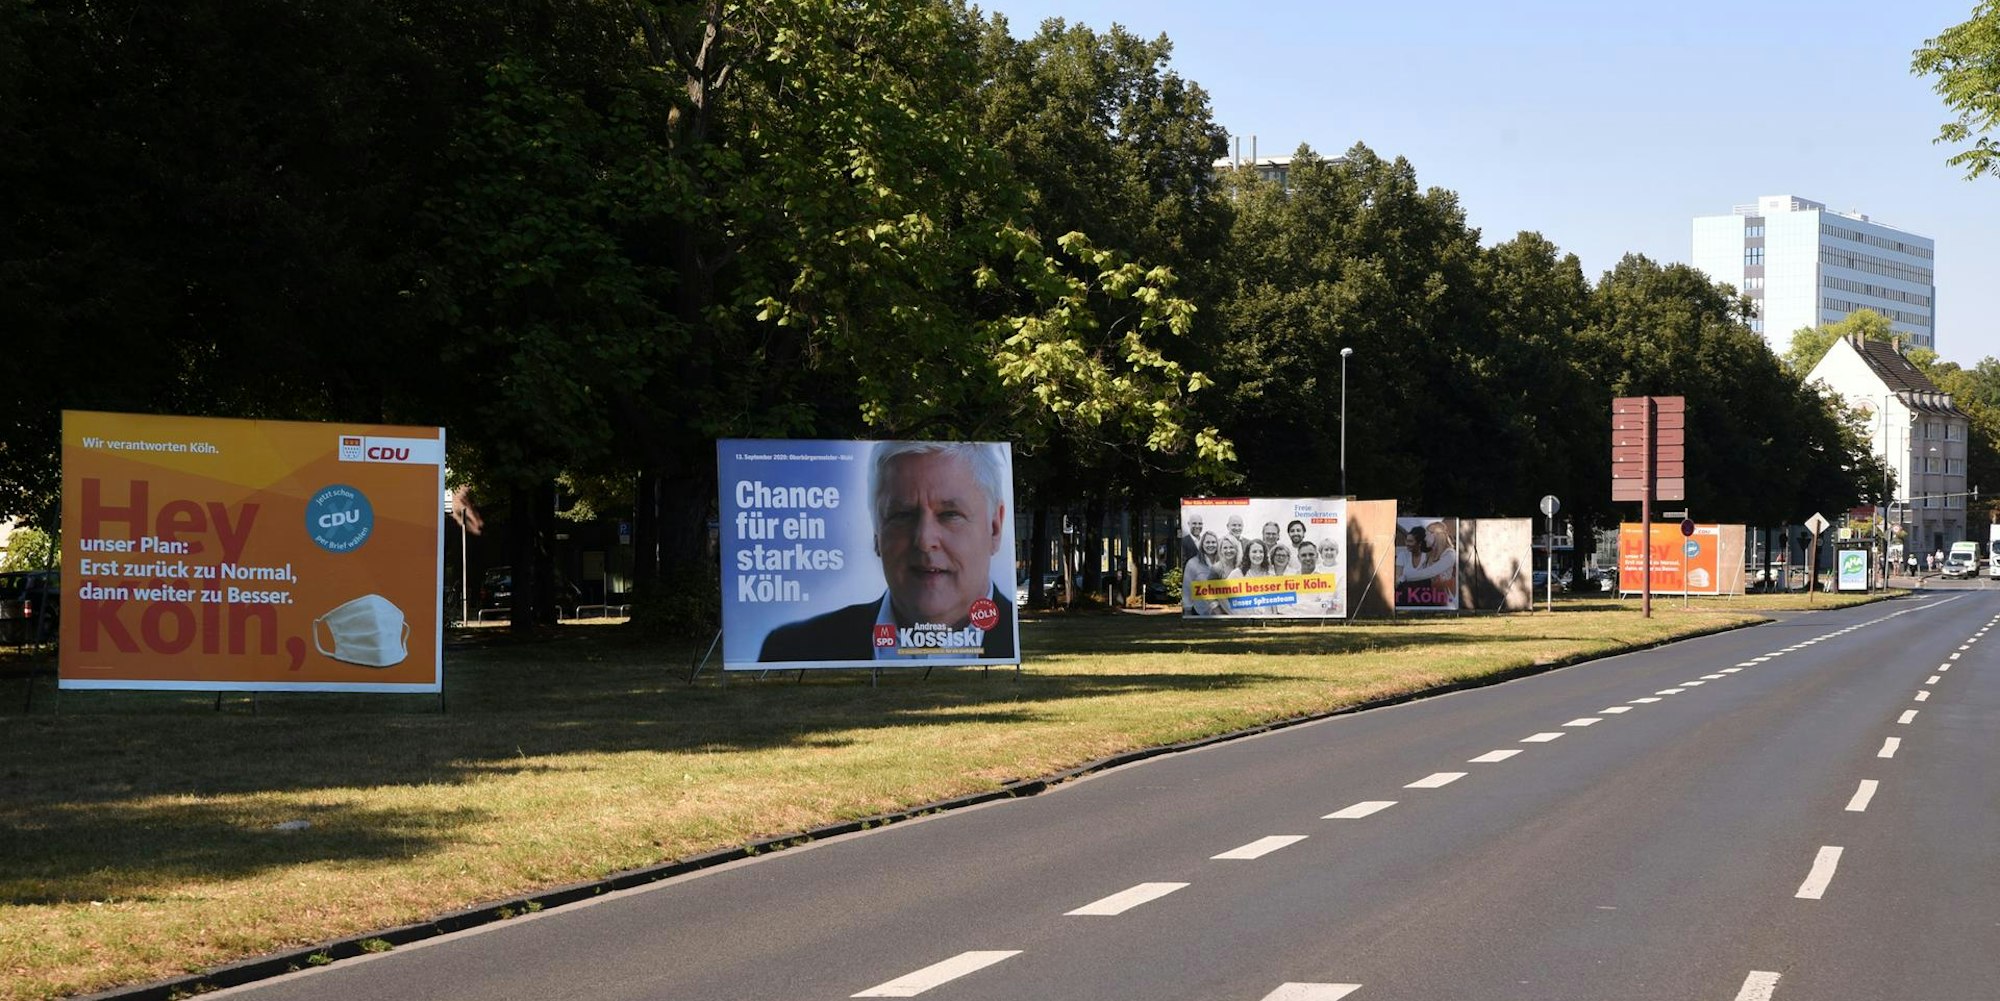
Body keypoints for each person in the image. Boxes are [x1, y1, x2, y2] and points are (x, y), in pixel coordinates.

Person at [759, 441, 1015, 662]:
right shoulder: (792, 648)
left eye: (949, 515)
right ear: (876, 533)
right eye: (902, 515)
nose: (924, 541)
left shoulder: (1012, 640)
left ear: (994, 528)